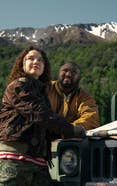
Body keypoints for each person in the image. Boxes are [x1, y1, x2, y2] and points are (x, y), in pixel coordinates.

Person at [0, 46, 85, 186]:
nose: (36, 62)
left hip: (37, 161)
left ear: (44, 67)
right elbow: (40, 114)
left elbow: (45, 125)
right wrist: (72, 130)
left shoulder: (41, 92)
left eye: (40, 60)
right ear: (22, 63)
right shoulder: (18, 87)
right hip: (14, 159)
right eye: (30, 58)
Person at [48, 62, 100, 130]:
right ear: (59, 73)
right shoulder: (46, 88)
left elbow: (91, 119)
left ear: (79, 77)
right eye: (65, 70)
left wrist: (67, 129)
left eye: (73, 72)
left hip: (70, 138)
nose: (68, 74)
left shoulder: (85, 97)